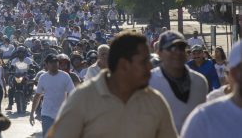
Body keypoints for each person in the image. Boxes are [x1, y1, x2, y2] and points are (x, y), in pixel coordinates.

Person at [46, 32, 177, 138]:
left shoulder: (154, 101)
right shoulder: (82, 99)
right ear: (124, 64)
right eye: (143, 62)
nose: (150, 67)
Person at [149, 31, 208, 132]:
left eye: (181, 47)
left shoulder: (200, 82)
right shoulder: (149, 82)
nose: (177, 52)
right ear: (159, 53)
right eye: (171, 48)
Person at [181, 40, 242, 138]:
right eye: (194, 53)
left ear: (203, 54)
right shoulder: (204, 117)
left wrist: (217, 90)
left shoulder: (209, 64)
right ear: (234, 74)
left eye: (199, 53)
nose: (197, 56)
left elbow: (214, 78)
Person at [29, 54, 74, 137]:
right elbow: (37, 96)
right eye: (51, 62)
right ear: (46, 64)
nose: (54, 64)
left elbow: (72, 94)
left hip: (62, 114)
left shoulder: (65, 76)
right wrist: (32, 113)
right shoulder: (43, 77)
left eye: (56, 62)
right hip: (47, 114)